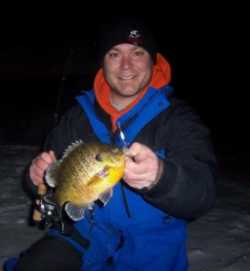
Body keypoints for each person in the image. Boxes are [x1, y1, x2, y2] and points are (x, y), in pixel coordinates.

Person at [3, 17, 216, 271]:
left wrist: (161, 176)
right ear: (102, 63)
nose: (126, 65)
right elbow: (50, 185)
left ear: (154, 60)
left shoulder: (179, 120)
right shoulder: (76, 118)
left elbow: (202, 195)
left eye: (137, 52)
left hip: (152, 250)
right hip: (85, 236)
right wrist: (35, 177)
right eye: (115, 54)